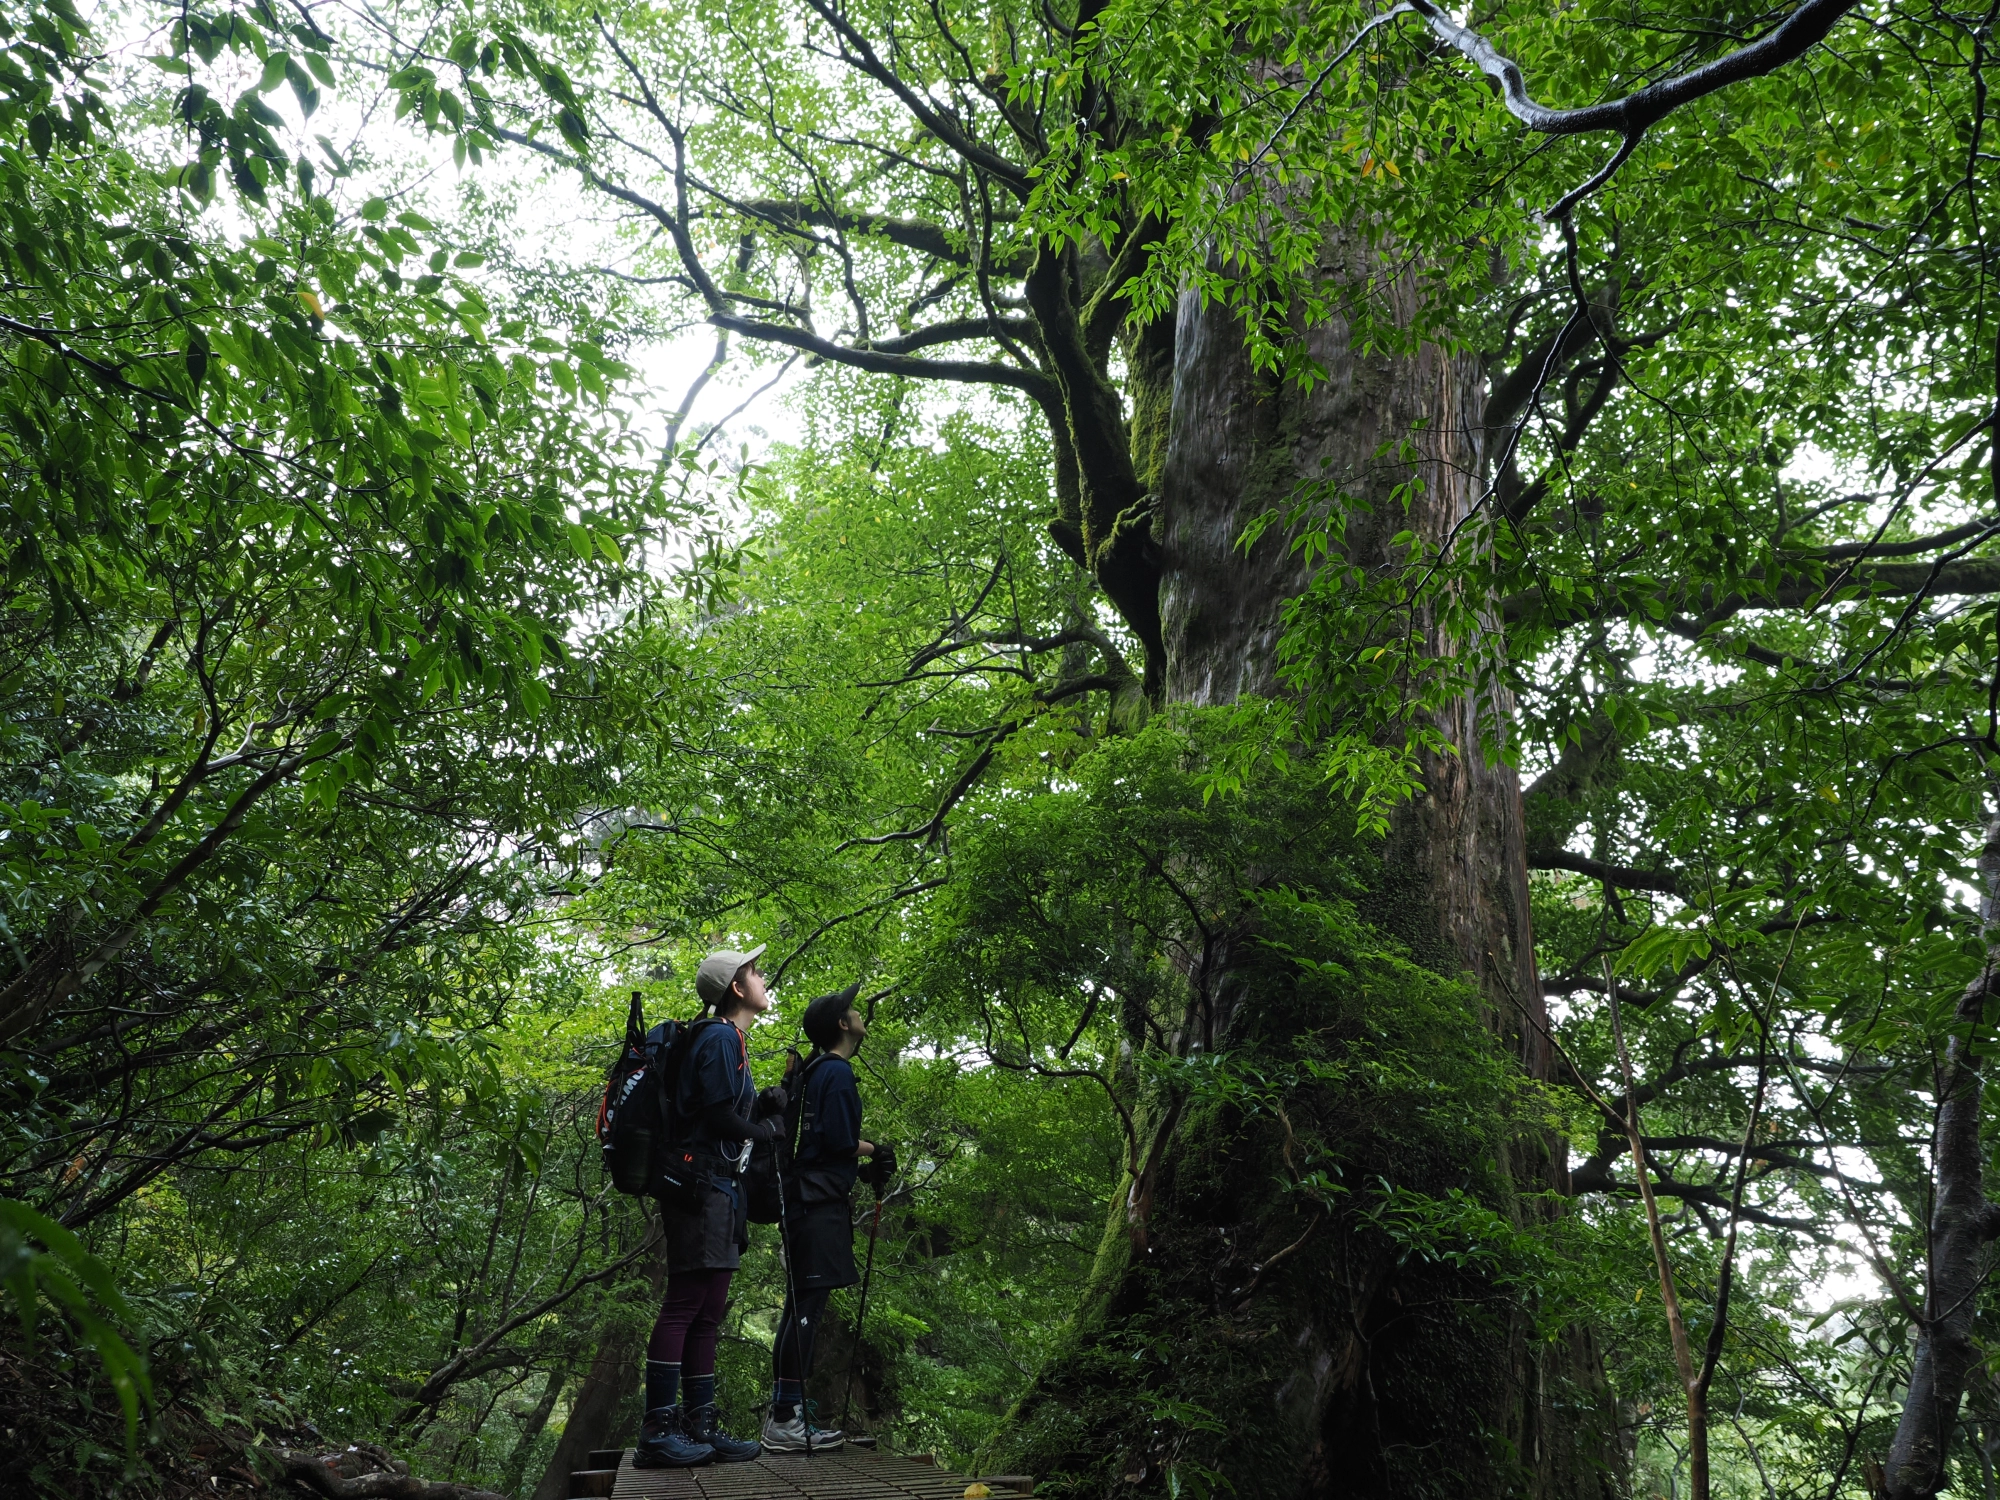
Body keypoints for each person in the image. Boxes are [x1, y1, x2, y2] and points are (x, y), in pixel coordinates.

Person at [635, 945, 788, 1469]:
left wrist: (763, 1105)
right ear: (737, 989)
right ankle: (658, 1429)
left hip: (719, 1190)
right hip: (700, 1189)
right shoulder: (721, 1036)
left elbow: (721, 1111)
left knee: (708, 1310)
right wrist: (765, 1131)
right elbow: (718, 1117)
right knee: (685, 1304)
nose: (762, 976)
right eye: (754, 971)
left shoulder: (731, 1040)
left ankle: (700, 1423)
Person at [762, 981, 897, 1453]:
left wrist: (858, 1167)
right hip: (816, 1207)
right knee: (806, 1311)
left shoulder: (818, 1070)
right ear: (843, 1025)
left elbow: (820, 1145)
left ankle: (784, 1415)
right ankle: (785, 1421)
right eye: (852, 1010)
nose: (859, 1014)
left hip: (806, 1199)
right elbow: (838, 1140)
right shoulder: (835, 1072)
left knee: (799, 1310)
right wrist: (876, 1149)